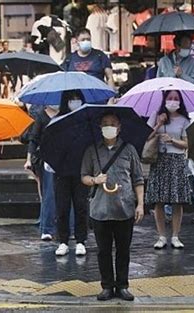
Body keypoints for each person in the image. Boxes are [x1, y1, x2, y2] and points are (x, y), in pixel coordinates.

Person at [81, 112, 144, 301]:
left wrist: (140, 204)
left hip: (124, 209)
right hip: (100, 210)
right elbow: (83, 176)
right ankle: (107, 286)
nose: (109, 127)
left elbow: (138, 179)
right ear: (100, 128)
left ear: (119, 127)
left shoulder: (129, 150)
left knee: (123, 250)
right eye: (105, 124)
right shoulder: (92, 150)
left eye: (113, 124)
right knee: (103, 251)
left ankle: (122, 285)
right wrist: (95, 180)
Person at [146, 90, 191, 249]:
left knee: (177, 201)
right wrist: (158, 124)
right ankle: (161, 236)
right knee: (159, 201)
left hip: (177, 160)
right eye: (170, 98)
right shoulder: (156, 115)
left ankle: (175, 236)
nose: (173, 101)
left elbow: (186, 144)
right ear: (164, 100)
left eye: (176, 99)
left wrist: (172, 140)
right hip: (159, 160)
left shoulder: (184, 120)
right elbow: (146, 137)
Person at [54, 90, 88, 257]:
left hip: (81, 170)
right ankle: (63, 241)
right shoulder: (58, 121)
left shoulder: (86, 121)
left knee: (81, 206)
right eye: (71, 99)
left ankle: (81, 240)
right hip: (61, 171)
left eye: (77, 99)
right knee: (62, 207)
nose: (75, 102)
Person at [24, 105, 59, 241]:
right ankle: (47, 228)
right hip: (46, 159)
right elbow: (34, 139)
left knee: (65, 194)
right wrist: (29, 159)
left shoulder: (65, 114)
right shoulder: (41, 116)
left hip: (63, 158)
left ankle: (68, 228)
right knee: (48, 193)